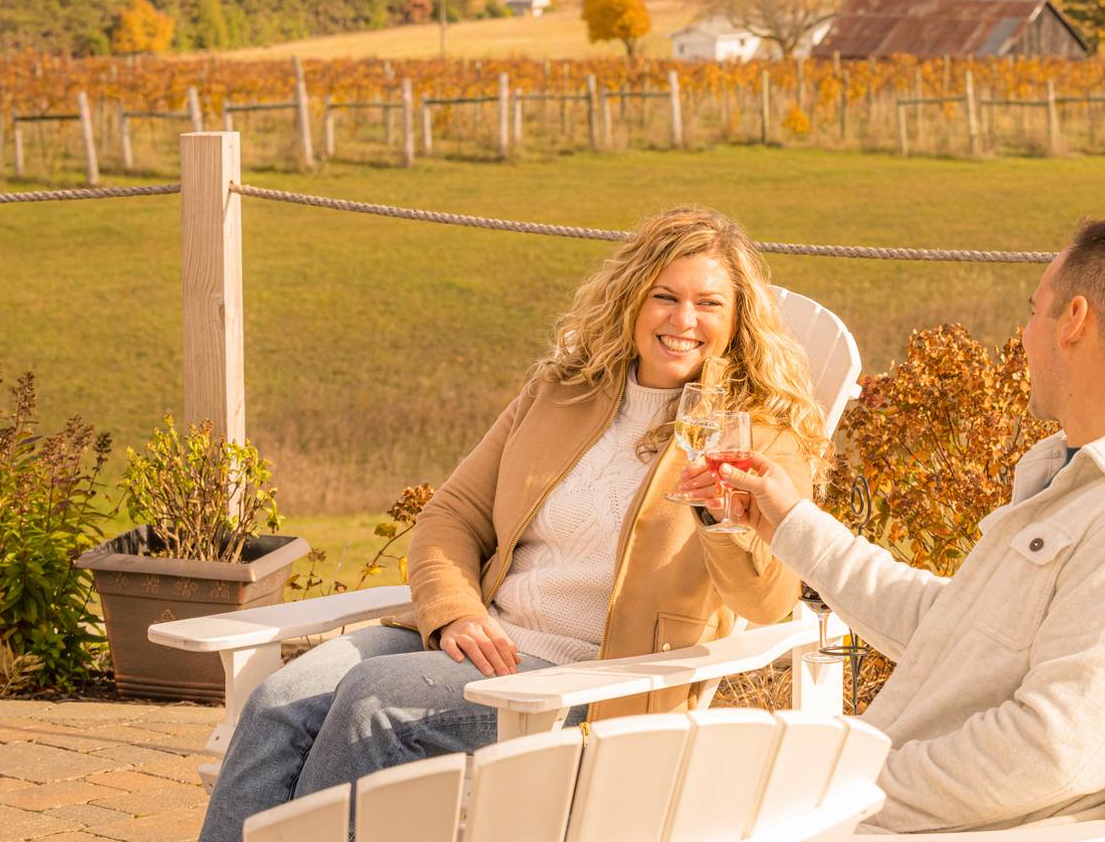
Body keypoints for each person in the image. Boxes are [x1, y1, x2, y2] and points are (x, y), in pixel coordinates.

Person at [197, 208, 829, 842]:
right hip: (478, 641)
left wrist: (726, 525)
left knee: (373, 701)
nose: (683, 320)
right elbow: (453, 513)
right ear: (633, 298)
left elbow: (768, 602)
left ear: (736, 321)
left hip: (592, 682)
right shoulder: (562, 393)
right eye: (665, 296)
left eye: (708, 303)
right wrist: (454, 611)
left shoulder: (759, 436)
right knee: (278, 701)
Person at [680, 216, 1105, 834]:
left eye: (1034, 311)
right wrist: (789, 522)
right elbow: (949, 627)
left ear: (1075, 321)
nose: (1024, 335)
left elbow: (1050, 754)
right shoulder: (1084, 484)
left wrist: (838, 785)